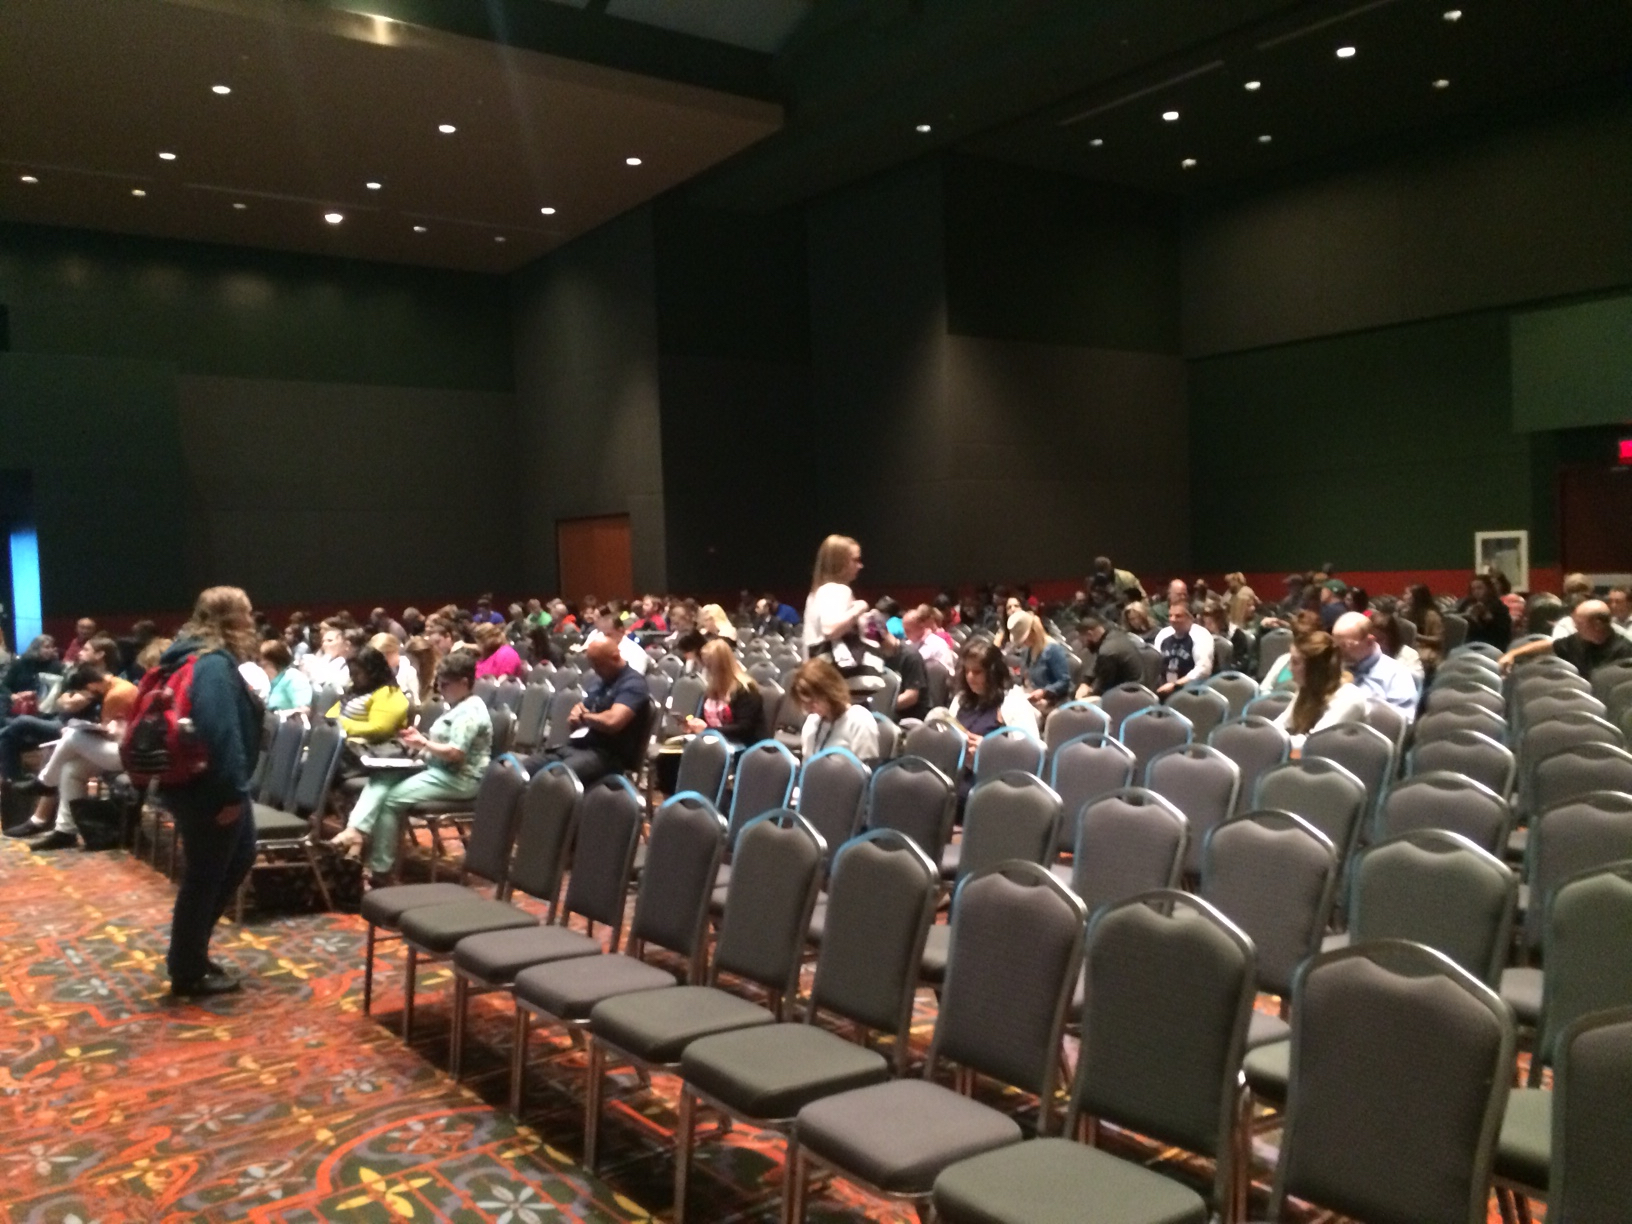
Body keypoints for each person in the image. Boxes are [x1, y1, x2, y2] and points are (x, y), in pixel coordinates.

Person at [153, 587, 262, 998]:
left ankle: (192, 953)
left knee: (238, 856)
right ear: (229, 619)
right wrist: (232, 793)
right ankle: (187, 968)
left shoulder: (192, 656)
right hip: (211, 787)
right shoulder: (212, 664)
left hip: (202, 782)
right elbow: (220, 732)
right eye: (246, 613)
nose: (251, 620)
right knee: (205, 876)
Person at [329, 651, 493, 883]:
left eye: (445, 684)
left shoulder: (471, 711)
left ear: (464, 682)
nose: (440, 689)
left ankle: (381, 868)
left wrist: (424, 743)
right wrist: (419, 739)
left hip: (460, 779)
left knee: (391, 800)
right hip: (437, 768)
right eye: (438, 683)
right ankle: (355, 831)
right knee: (384, 776)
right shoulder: (458, 704)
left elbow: (456, 753)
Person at [11, 661, 139, 849]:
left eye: (89, 692)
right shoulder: (118, 686)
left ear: (92, 684)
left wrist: (88, 730)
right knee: (70, 769)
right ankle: (65, 831)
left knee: (72, 735)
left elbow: (110, 732)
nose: (90, 696)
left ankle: (45, 782)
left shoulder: (117, 694)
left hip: (127, 755)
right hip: (121, 750)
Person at [521, 636, 651, 785]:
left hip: (606, 755)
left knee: (555, 779)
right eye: (593, 665)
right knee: (520, 770)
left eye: (599, 665)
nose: (595, 670)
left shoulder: (633, 684)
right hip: (575, 747)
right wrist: (576, 717)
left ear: (615, 657)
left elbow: (612, 721)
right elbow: (580, 711)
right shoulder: (601, 682)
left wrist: (585, 716)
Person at [944, 639, 1039, 762]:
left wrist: (989, 750)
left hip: (996, 770)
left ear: (993, 674)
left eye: (977, 672)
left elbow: (1031, 753)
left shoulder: (1014, 703)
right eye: (967, 671)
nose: (970, 677)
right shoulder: (960, 699)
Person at [1274, 630, 1367, 750]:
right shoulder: (1306, 689)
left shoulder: (1349, 699)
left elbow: (1314, 743)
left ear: (1315, 670)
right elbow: (1281, 724)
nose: (1289, 668)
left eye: (1295, 662)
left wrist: (1275, 741)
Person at [1501, 599, 1632, 674]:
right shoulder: (1578, 641)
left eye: (1579, 624)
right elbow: (1549, 645)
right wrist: (1513, 654)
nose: (1575, 628)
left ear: (1598, 625)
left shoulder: (1625, 650)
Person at [1331, 611, 1418, 718]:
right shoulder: (1333, 666)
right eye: (1337, 646)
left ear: (1369, 641)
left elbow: (1403, 721)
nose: (1340, 652)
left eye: (1346, 645)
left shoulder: (1397, 675)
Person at [791, 658, 879, 760]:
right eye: (806, 704)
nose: (809, 709)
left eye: (813, 702)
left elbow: (865, 767)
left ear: (830, 692)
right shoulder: (812, 721)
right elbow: (807, 764)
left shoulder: (860, 721)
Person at [683, 639, 765, 746]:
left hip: (742, 746)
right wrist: (694, 725)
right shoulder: (710, 690)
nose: (706, 670)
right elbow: (703, 720)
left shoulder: (746, 690)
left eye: (709, 666)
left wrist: (707, 729)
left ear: (722, 667)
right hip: (713, 743)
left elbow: (744, 729)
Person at [324, 646, 410, 743]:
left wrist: (340, 725)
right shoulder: (356, 688)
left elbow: (379, 729)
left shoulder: (390, 694)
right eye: (351, 672)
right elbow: (335, 710)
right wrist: (330, 722)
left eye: (357, 673)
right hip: (337, 738)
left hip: (364, 747)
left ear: (372, 672)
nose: (353, 677)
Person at [803, 534, 870, 659]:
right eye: (855, 560)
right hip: (832, 668)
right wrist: (860, 608)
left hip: (817, 667)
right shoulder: (835, 590)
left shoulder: (817, 593)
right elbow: (830, 630)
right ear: (840, 563)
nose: (860, 566)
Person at [1008, 611, 1071, 713]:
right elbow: (1025, 678)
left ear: (1033, 632)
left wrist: (1044, 692)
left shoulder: (1052, 650)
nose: (1023, 643)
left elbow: (1064, 681)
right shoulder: (1028, 650)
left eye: (1024, 639)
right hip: (1035, 702)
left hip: (1054, 704)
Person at [1151, 600, 1214, 696]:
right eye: (1170, 615)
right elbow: (1155, 664)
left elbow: (1203, 670)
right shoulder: (1164, 634)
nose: (1173, 619)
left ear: (1190, 618)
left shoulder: (1200, 635)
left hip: (1191, 690)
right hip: (1163, 688)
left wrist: (1175, 685)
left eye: (1178, 616)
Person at [875, 617, 930, 722]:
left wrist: (883, 706)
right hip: (888, 715)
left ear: (884, 634)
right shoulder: (879, 655)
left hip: (910, 717)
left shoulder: (911, 656)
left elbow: (911, 696)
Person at [1074, 614, 1143, 698]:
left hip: (1131, 695)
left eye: (1082, 641)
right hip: (1132, 686)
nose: (1083, 646)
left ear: (1090, 634)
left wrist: (1086, 695)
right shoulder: (1114, 634)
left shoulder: (1107, 653)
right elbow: (1096, 662)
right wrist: (1086, 682)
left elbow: (1102, 689)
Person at [1258, 610, 1322, 694]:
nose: (1290, 668)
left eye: (1305, 640)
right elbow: (1264, 688)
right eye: (1297, 638)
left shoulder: (1322, 666)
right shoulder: (1284, 659)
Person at [1368, 603, 1424, 684]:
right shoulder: (1366, 653)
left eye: (1381, 640)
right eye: (1373, 640)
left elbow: (1417, 681)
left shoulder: (1408, 654)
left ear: (1392, 637)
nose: (1377, 645)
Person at [257, 639, 313, 713]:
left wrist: (281, 715)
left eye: (265, 665)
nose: (262, 669)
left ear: (276, 662)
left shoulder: (293, 677)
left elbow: (304, 710)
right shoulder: (271, 682)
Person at [1458, 575, 1512, 650]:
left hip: (1492, 645)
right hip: (1469, 644)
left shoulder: (1498, 607)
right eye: (1473, 589)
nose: (1476, 592)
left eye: (1479, 588)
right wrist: (1469, 616)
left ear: (1488, 589)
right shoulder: (1466, 604)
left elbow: (1503, 632)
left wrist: (1487, 618)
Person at [1200, 599, 1252, 677]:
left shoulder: (1237, 635)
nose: (1206, 627)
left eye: (1210, 623)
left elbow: (1240, 664)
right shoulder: (1202, 636)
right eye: (1205, 623)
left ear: (1220, 621)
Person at [1402, 583, 1445, 673]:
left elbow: (1439, 639)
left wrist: (1418, 637)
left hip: (1428, 651)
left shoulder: (1431, 615)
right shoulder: (1408, 612)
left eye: (1407, 594)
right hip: (1413, 647)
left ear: (1416, 597)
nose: (1404, 597)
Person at [903, 605, 955, 675]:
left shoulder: (939, 645)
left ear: (921, 626)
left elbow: (949, 673)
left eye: (908, 630)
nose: (905, 633)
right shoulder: (907, 645)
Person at [371, 632, 421, 704]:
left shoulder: (409, 671)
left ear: (395, 651)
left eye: (387, 654)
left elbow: (415, 701)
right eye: (376, 657)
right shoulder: (371, 673)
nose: (382, 660)